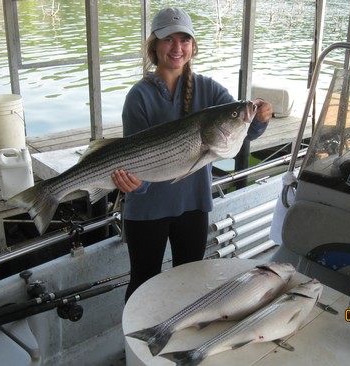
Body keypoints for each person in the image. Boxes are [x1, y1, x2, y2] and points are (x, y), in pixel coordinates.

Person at [112, 7, 273, 301]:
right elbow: (132, 158)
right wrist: (134, 183)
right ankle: (134, 345)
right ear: (154, 46)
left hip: (193, 207)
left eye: (184, 40)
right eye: (168, 39)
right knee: (143, 284)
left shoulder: (209, 90)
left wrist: (259, 118)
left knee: (190, 281)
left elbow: (242, 132)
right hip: (147, 210)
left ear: (193, 46)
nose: (177, 47)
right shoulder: (139, 96)